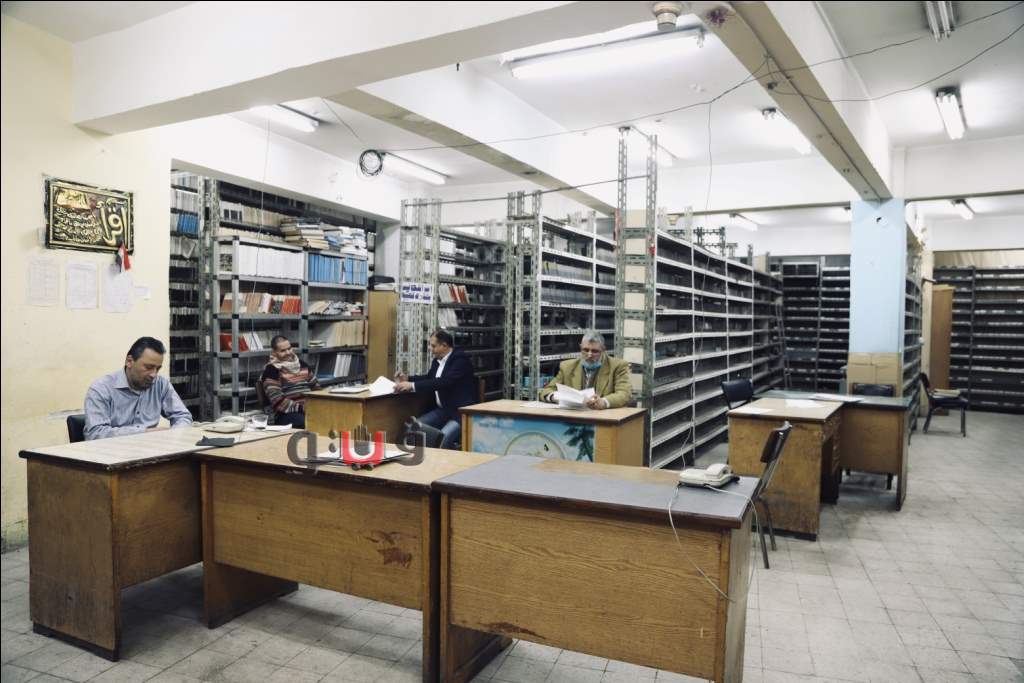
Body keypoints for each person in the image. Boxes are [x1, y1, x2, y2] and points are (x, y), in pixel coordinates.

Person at [84, 337, 193, 440]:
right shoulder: (101, 389)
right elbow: (96, 434)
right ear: (129, 361)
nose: (154, 374)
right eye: (149, 367)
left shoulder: (160, 384)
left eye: (158, 369)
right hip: (110, 451)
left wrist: (173, 434)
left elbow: (183, 416)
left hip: (151, 449)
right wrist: (144, 433)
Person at [394, 329, 477, 449]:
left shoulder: (460, 360)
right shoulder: (437, 360)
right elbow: (429, 378)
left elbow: (445, 382)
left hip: (460, 412)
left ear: (444, 345)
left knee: (442, 440)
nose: (430, 349)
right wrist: (408, 378)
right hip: (443, 410)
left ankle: (449, 457)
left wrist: (412, 385)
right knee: (412, 428)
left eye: (433, 346)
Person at [538, 331, 632, 409]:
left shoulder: (618, 366)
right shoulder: (567, 367)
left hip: (603, 417)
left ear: (603, 350)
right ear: (580, 348)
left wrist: (604, 402)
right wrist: (555, 397)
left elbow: (624, 394)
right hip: (574, 416)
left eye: (594, 351)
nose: (589, 355)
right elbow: (546, 391)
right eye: (585, 350)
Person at [260, 335, 318, 428]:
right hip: (284, 414)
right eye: (283, 351)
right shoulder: (271, 370)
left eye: (289, 348)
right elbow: (278, 401)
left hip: (309, 409)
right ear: (274, 352)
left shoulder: (302, 364)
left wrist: (319, 405)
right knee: (307, 422)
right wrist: (303, 408)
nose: (288, 352)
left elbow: (316, 388)